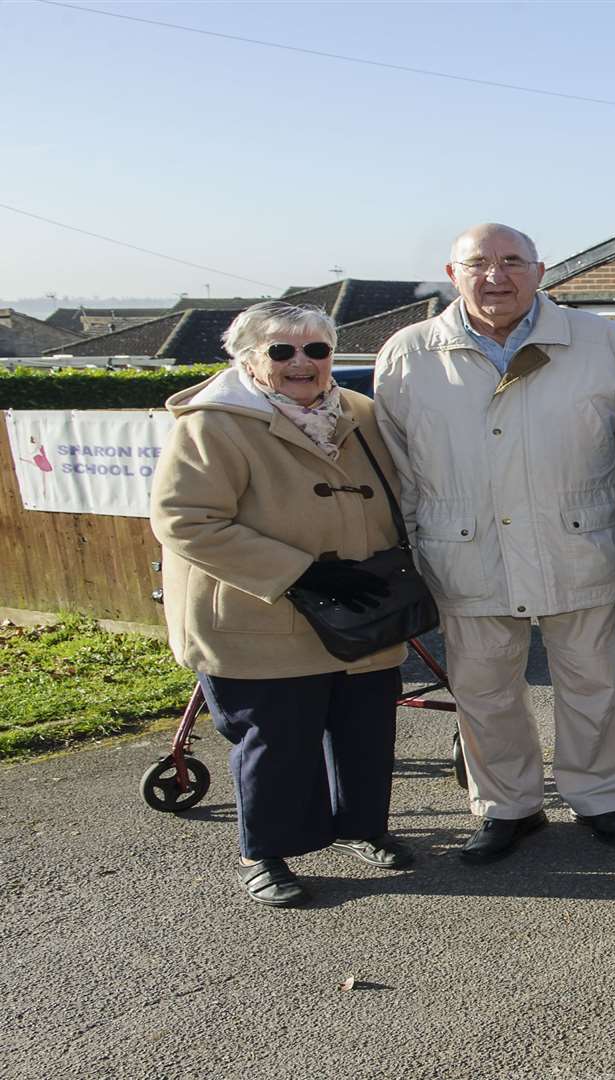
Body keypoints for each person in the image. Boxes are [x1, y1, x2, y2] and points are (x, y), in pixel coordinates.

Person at [374, 223, 615, 864]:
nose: (496, 275)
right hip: (462, 552)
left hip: (581, 544)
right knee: (484, 690)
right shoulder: (409, 353)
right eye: (479, 263)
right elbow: (396, 469)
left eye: (512, 261)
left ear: (541, 269)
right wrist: (408, 550)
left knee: (592, 684)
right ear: (452, 274)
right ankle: (507, 807)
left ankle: (603, 797)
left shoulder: (602, 342)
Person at [152, 301, 414, 906]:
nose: (303, 363)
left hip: (361, 607)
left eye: (317, 350)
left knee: (365, 729)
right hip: (258, 612)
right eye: (282, 351)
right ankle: (265, 851)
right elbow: (184, 520)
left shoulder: (360, 412)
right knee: (275, 739)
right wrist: (299, 572)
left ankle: (362, 827)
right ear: (247, 359)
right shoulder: (212, 423)